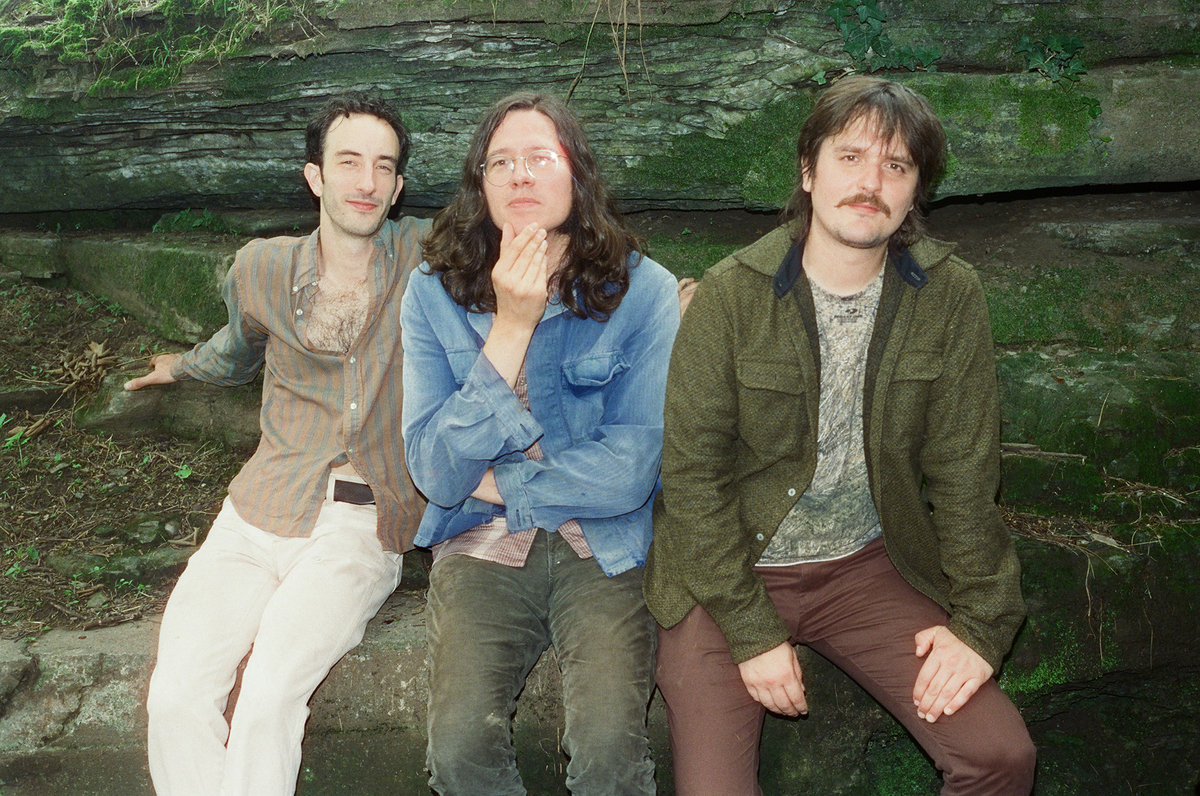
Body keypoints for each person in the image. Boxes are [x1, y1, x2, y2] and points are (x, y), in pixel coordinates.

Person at [644, 75, 1037, 794]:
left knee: (998, 755)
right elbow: (693, 482)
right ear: (808, 170)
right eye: (850, 157)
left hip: (867, 567)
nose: (870, 183)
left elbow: (966, 476)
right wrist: (752, 632)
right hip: (728, 570)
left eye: (896, 166)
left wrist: (982, 625)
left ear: (916, 191)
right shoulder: (731, 294)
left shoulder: (950, 296)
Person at [125, 92, 429, 795]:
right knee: (175, 697)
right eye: (348, 162)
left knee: (267, 698)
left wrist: (651, 291)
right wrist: (180, 367)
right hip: (256, 514)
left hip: (360, 527)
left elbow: (534, 227)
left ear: (398, 188)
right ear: (314, 176)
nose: (366, 182)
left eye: (383, 167)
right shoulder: (259, 268)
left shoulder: (426, 257)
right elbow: (237, 350)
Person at [400, 92, 680, 794]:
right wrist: (512, 327)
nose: (520, 174)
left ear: (577, 175)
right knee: (460, 751)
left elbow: (633, 467)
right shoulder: (431, 293)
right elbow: (435, 470)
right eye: (500, 162)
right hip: (480, 540)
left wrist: (502, 483)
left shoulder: (644, 291)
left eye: (540, 158)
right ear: (481, 184)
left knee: (608, 754)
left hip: (605, 543)